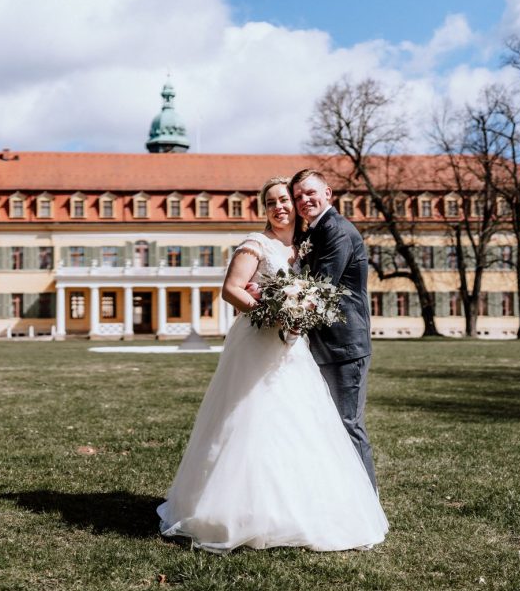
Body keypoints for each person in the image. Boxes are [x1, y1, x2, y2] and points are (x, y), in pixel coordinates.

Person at [156, 176, 387, 553]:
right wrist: (269, 310)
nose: (281, 206)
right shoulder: (257, 243)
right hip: (260, 341)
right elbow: (231, 288)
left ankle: (304, 505)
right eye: (273, 202)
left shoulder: (302, 246)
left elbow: (316, 290)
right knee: (251, 418)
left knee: (301, 423)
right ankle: (240, 507)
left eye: (287, 199)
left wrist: (285, 311)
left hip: (296, 346)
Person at [288, 169, 377, 490]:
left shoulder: (337, 230)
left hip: (344, 345)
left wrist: (281, 312)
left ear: (328, 193)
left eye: (309, 193)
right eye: (298, 196)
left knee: (348, 423)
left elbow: (320, 287)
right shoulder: (315, 231)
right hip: (324, 344)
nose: (303, 200)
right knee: (328, 424)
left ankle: (368, 500)